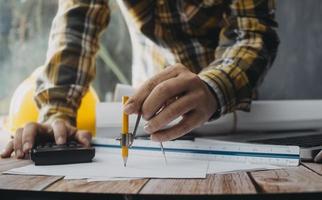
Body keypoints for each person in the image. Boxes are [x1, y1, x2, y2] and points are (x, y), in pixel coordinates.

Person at [1, 0, 279, 159]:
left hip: (229, 108)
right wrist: (57, 112)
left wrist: (211, 88)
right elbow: (76, 24)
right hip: (146, 120)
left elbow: (253, 32)